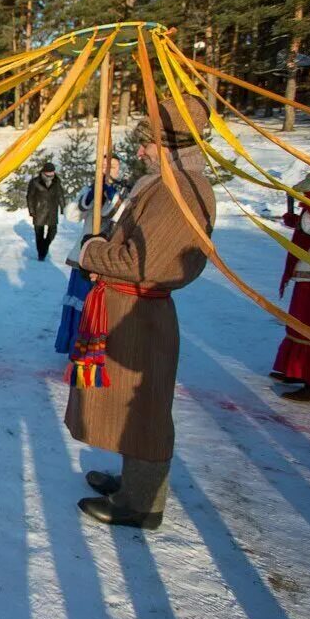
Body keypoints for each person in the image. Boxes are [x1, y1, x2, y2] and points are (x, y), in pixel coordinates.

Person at [66, 94, 216, 530]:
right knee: (127, 404)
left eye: (147, 144)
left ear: (168, 145)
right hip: (127, 310)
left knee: (144, 409)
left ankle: (142, 504)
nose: (140, 152)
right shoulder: (163, 184)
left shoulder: (183, 190)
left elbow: (146, 265)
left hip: (141, 318)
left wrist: (94, 251)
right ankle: (133, 482)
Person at [55, 157, 127, 354]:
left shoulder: (125, 191)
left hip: (108, 258)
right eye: (103, 166)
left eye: (112, 166)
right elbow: (72, 215)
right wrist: (89, 197)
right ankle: (75, 347)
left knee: (99, 307)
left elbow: (120, 217)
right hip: (84, 256)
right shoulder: (91, 188)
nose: (107, 170)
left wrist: (111, 197)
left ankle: (97, 351)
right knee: (80, 302)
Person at [271, 172, 310, 401]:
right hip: (308, 271)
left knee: (309, 326)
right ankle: (297, 371)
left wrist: (303, 218)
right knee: (299, 323)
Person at [27, 162, 66, 261]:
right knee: (39, 234)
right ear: (44, 172)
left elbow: (60, 195)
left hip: (52, 210)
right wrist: (31, 210)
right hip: (38, 210)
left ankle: (44, 247)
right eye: (48, 173)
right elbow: (30, 197)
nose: (51, 175)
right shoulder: (35, 182)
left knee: (53, 232)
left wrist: (63, 208)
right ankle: (41, 254)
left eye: (52, 173)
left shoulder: (57, 181)